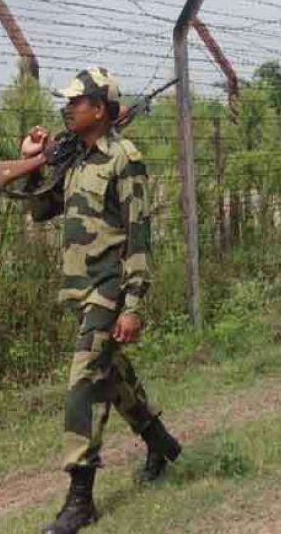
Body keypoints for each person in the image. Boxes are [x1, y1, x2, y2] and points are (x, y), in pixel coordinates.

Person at [21, 68, 181, 533]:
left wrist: (132, 305)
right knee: (112, 376)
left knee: (83, 387)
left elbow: (139, 235)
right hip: (80, 290)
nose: (68, 107)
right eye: (67, 101)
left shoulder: (123, 159)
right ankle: (160, 442)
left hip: (108, 290)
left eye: (77, 101)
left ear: (100, 109)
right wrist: (32, 161)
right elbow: (40, 211)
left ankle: (80, 500)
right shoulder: (74, 158)